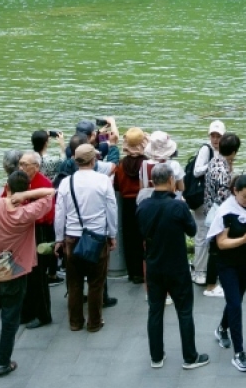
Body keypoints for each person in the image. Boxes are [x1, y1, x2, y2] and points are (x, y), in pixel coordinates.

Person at [0, 171, 54, 376]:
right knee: (10, 320)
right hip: (14, 274)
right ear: (26, 190)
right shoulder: (26, 213)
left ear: (6, 186)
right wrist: (26, 196)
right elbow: (51, 192)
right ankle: (2, 362)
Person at [136, 164, 209, 370]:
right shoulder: (177, 206)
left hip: (153, 264)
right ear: (170, 180)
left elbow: (140, 233)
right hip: (176, 265)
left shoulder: (143, 206)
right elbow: (193, 230)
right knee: (184, 311)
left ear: (152, 181)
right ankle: (189, 356)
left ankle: (156, 356)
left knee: (155, 310)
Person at [53, 145, 119, 334]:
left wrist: (59, 238)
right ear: (94, 160)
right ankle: (94, 322)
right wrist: (112, 235)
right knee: (96, 283)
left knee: (74, 283)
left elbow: (60, 213)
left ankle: (75, 322)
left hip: (72, 238)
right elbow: (111, 210)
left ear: (75, 161)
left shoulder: (66, 182)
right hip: (97, 237)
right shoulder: (103, 181)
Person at [208, 174, 246, 373]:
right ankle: (239, 352)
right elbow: (221, 243)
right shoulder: (225, 212)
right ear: (236, 192)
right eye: (245, 197)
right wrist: (243, 239)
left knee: (236, 300)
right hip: (227, 263)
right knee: (235, 304)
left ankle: (222, 328)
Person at [17, 148, 58, 329]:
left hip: (39, 231)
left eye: (25, 164)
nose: (21, 167)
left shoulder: (44, 184)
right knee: (23, 274)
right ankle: (26, 311)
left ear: (36, 166)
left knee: (38, 275)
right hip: (21, 231)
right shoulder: (17, 180)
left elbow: (48, 214)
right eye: (20, 164)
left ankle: (43, 315)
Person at [200, 132, 241, 298]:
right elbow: (225, 196)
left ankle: (215, 282)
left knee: (216, 249)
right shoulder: (223, 171)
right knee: (217, 250)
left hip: (209, 209)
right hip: (219, 214)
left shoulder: (215, 161)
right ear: (233, 151)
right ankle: (211, 286)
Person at [189, 121, 225, 288]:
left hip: (217, 199)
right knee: (202, 233)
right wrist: (214, 164)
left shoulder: (223, 151)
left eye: (218, 136)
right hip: (202, 198)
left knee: (214, 233)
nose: (215, 139)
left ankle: (209, 269)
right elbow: (197, 171)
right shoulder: (206, 150)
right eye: (213, 135)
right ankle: (199, 271)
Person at [114, 128, 148, 285]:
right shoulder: (146, 163)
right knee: (144, 237)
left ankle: (132, 272)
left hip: (127, 203)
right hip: (143, 202)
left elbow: (117, 186)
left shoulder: (120, 165)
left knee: (129, 238)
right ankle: (143, 271)